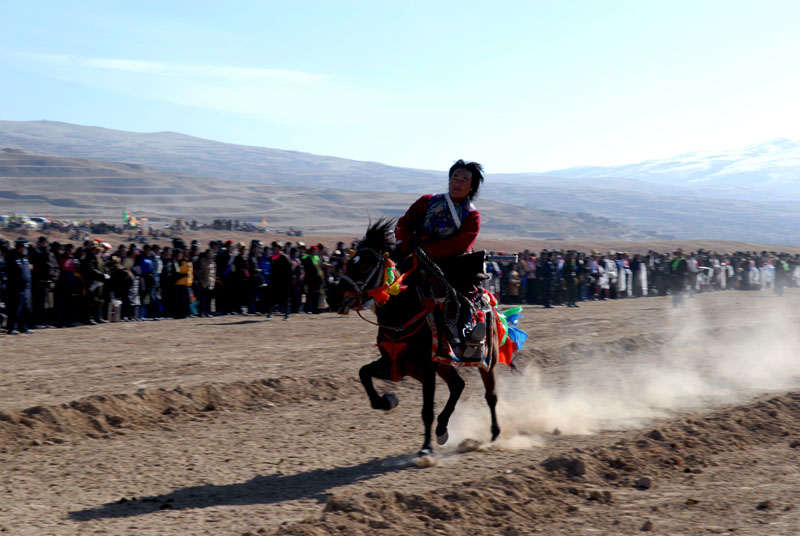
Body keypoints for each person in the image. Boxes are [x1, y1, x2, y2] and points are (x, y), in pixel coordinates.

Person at [394, 159, 486, 354]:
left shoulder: (471, 215)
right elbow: (404, 223)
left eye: (463, 180)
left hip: (452, 265)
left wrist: (427, 250)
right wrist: (408, 242)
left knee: (462, 295)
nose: (457, 183)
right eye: (454, 178)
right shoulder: (428, 201)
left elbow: (461, 243)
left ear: (471, 187)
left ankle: (466, 336)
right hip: (415, 256)